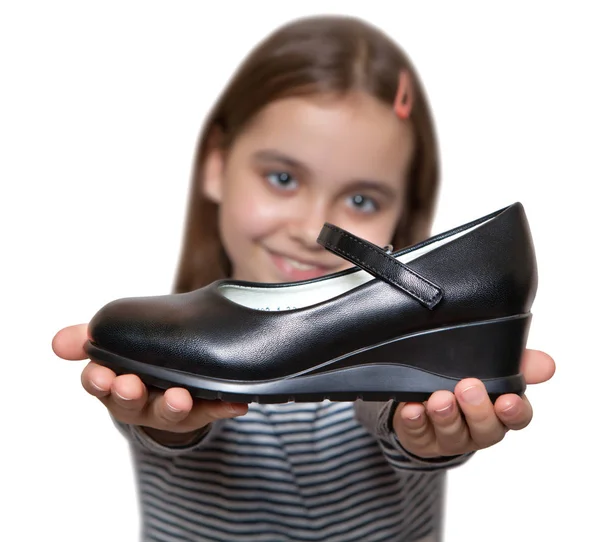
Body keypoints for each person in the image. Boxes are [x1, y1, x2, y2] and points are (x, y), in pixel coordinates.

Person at [52, 14, 555, 542]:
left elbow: (379, 411)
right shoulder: (175, 341)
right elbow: (161, 426)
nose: (311, 228)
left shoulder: (388, 358)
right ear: (217, 165)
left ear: (400, 215)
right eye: (283, 178)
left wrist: (424, 431)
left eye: (361, 200)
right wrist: (167, 421)